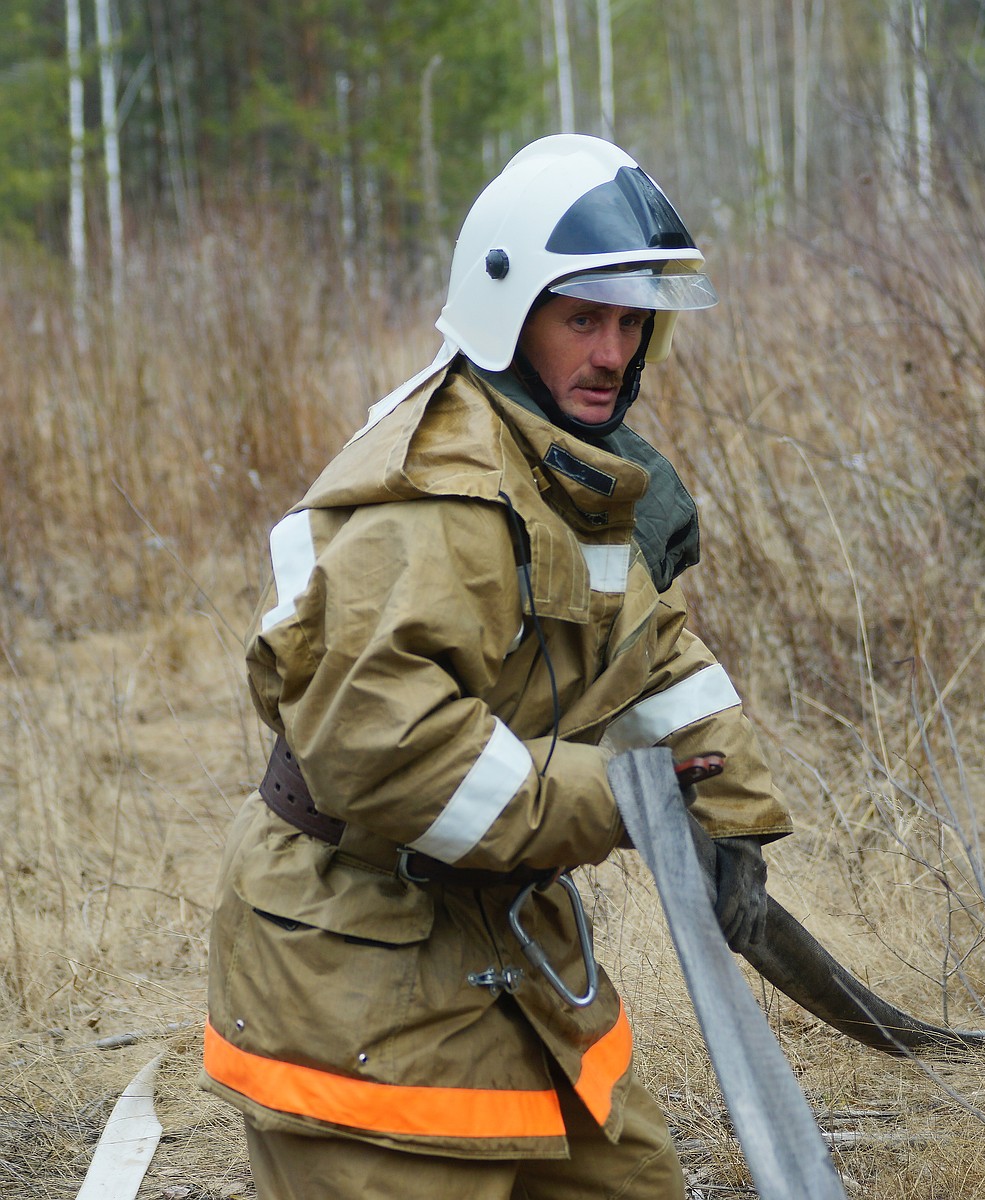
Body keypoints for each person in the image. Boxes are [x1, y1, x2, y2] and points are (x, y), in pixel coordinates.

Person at [202, 134, 793, 1200]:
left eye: (629, 321)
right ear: (508, 316)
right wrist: (624, 799)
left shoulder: (577, 468)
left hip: (506, 938)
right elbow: (380, 747)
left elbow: (654, 656)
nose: (612, 351)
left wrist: (733, 817)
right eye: (583, 319)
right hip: (356, 967)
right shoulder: (433, 497)